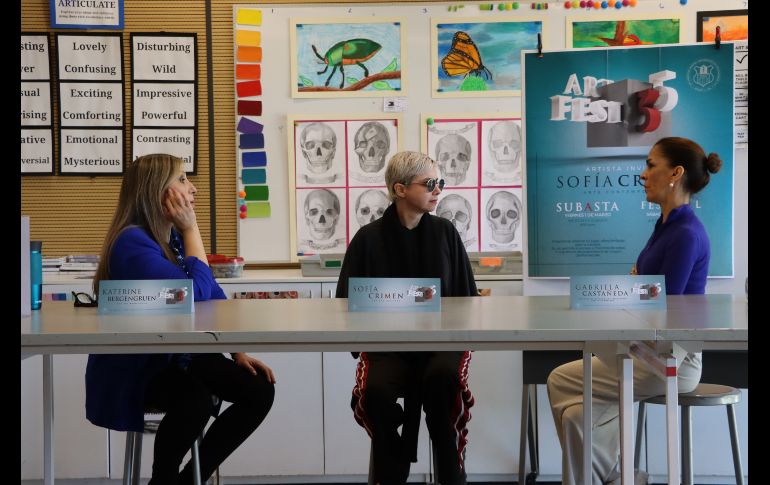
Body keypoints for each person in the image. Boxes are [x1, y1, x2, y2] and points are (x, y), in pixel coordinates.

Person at [85, 154, 276, 484]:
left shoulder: (166, 239)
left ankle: (187, 481)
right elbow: (196, 291)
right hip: (139, 365)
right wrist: (192, 228)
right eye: (183, 179)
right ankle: (164, 480)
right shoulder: (132, 242)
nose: (194, 189)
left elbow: (212, 294)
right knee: (195, 401)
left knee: (259, 389)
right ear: (159, 192)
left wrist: (236, 350)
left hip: (174, 354)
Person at [547, 137, 723, 485]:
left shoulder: (685, 232)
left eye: (650, 165)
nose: (642, 175)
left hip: (670, 361)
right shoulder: (666, 226)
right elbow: (644, 289)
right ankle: (619, 474)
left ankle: (614, 474)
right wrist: (637, 288)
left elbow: (660, 303)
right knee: (575, 415)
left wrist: (634, 288)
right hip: (645, 352)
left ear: (675, 172)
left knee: (561, 382)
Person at [336, 151, 478, 485]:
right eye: (429, 183)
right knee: (373, 395)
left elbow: (468, 300)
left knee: (444, 387)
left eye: (440, 182)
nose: (438, 189)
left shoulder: (446, 233)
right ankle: (394, 463)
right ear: (400, 189)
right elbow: (345, 304)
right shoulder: (367, 239)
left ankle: (451, 473)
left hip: (442, 344)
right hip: (387, 346)